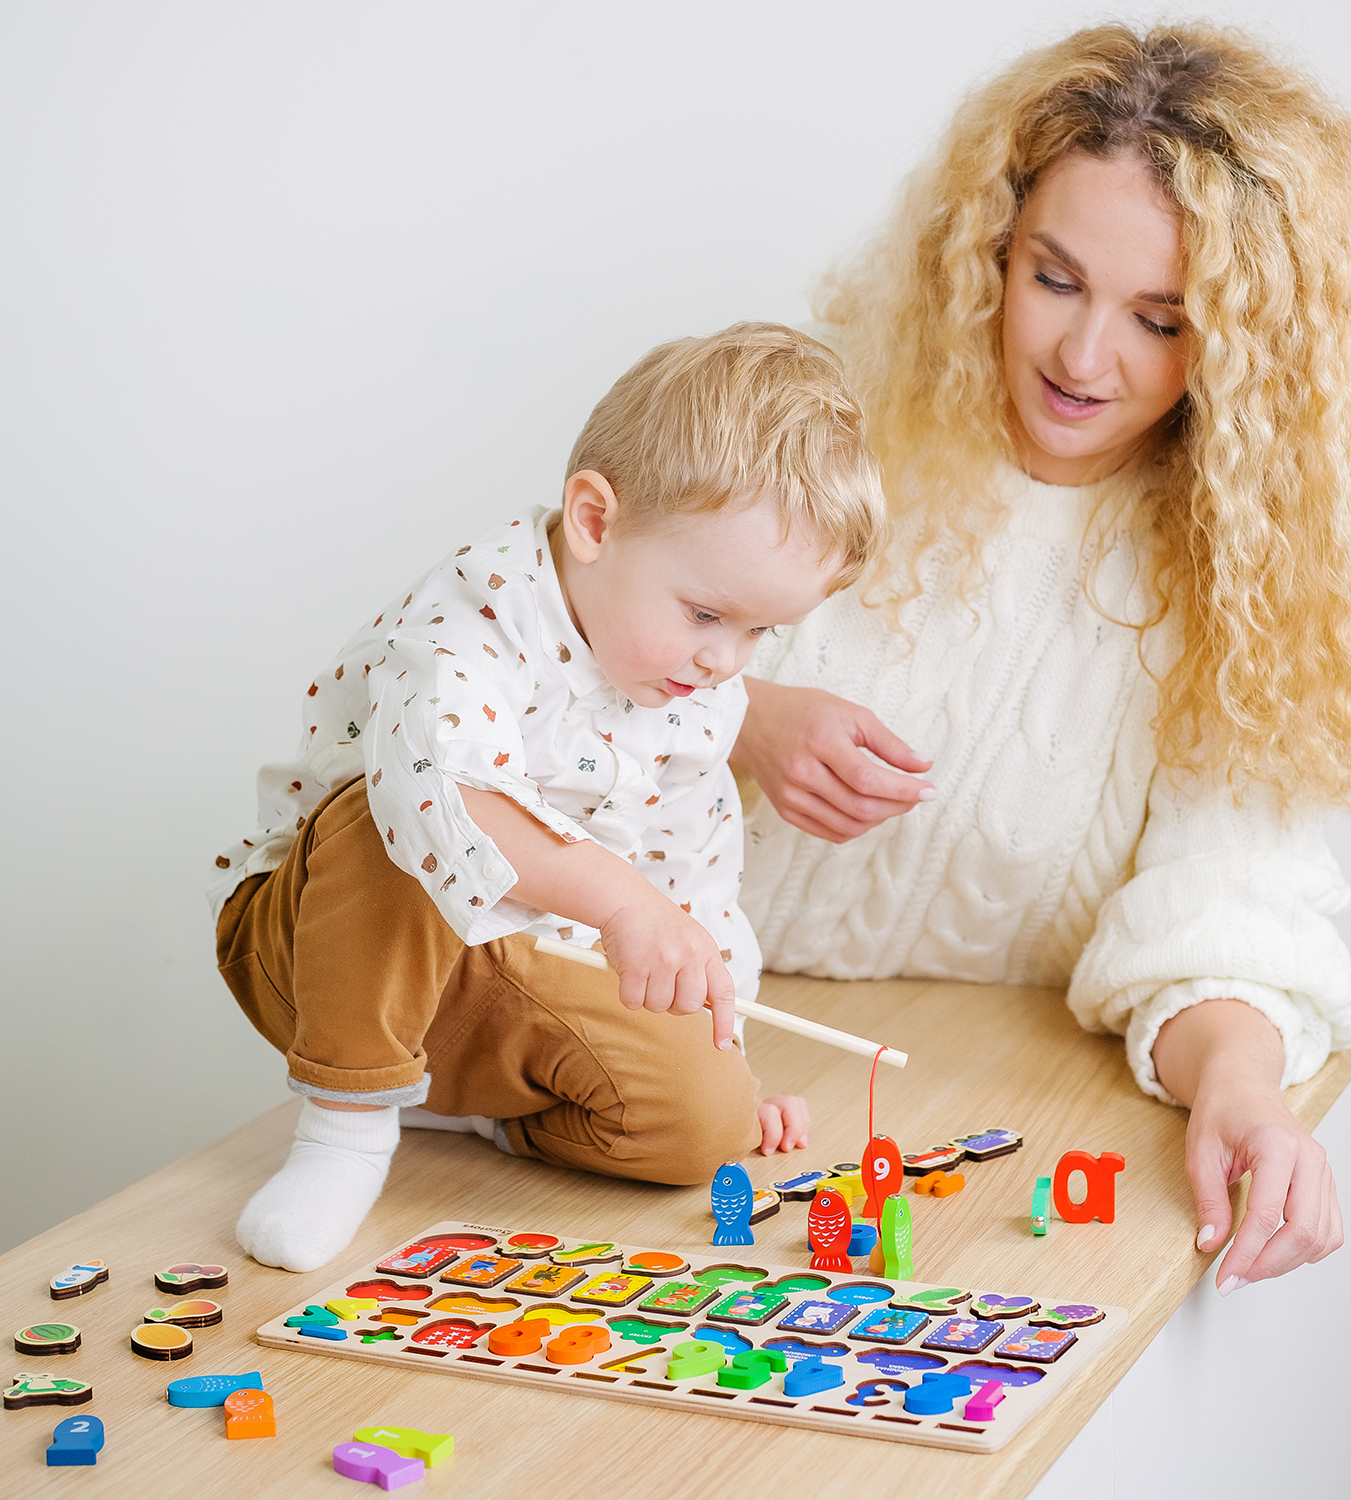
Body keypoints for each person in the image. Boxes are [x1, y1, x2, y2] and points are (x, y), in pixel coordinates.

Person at [732, 24, 1351, 1292]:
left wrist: (1242, 1093)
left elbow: (1218, 923)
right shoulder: (801, 433)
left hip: (981, 1120)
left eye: (1160, 318)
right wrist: (736, 716)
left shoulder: (1251, 569)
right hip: (692, 1066)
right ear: (987, 251)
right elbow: (529, 669)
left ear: (1249, 347)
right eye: (1056, 280)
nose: (1087, 360)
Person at [210, 323, 886, 1272]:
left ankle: (484, 1113)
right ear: (597, 521)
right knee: (397, 815)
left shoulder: (700, 694)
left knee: (708, 1126)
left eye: (758, 633)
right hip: (333, 947)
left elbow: (691, 888)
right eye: (704, 614)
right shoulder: (474, 613)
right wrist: (621, 902)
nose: (724, 660)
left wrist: (722, 1042)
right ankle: (345, 1131)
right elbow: (445, 792)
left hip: (509, 991)